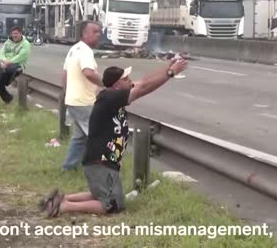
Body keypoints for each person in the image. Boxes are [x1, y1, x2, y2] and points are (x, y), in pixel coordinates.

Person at [41, 58, 189, 218]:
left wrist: (167, 67)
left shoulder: (112, 95)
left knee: (102, 196)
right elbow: (144, 88)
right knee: (112, 205)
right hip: (100, 161)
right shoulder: (110, 98)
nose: (130, 81)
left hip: (103, 161)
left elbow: (144, 82)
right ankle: (63, 206)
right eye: (125, 79)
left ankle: (60, 199)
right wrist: (170, 72)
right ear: (117, 85)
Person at [61, 20, 104, 171]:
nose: (99, 35)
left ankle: (68, 168)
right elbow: (88, 73)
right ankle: (102, 170)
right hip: (84, 102)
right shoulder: (85, 51)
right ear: (84, 34)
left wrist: (67, 94)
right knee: (97, 136)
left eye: (99, 32)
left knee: (79, 138)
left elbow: (64, 74)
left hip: (73, 100)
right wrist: (106, 84)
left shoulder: (73, 49)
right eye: (95, 32)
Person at [0, 26, 31, 104]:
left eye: (16, 33)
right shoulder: (8, 42)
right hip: (6, 63)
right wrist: (4, 60)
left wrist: (9, 62)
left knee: (9, 70)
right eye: (13, 33)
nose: (14, 35)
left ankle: (6, 81)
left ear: (21, 33)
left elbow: (21, 56)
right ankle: (7, 98)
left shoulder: (26, 44)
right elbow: (2, 52)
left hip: (18, 65)